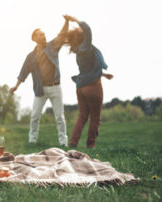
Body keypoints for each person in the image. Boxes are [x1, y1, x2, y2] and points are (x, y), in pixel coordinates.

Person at [10, 15, 70, 146]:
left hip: (55, 87)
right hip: (40, 90)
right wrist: (15, 87)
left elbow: (62, 35)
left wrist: (66, 21)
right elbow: (23, 73)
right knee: (35, 117)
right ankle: (32, 140)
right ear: (35, 39)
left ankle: (63, 142)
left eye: (44, 34)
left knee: (60, 117)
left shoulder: (52, 46)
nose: (44, 36)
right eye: (41, 35)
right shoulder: (30, 57)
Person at [64, 15, 113, 148]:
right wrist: (73, 19)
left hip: (81, 87)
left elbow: (88, 70)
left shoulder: (79, 51)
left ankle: (73, 143)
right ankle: (91, 145)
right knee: (95, 118)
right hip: (92, 87)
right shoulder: (85, 47)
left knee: (82, 116)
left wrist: (103, 75)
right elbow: (88, 29)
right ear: (82, 37)